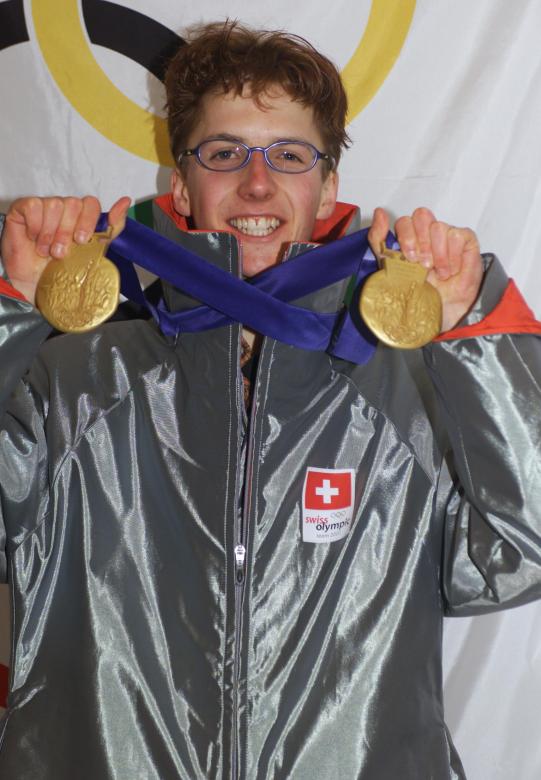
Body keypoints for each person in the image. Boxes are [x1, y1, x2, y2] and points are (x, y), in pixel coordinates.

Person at [0, 21, 540, 780]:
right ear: (180, 183)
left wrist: (474, 328)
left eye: (289, 156)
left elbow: (522, 552)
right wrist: (12, 307)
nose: (257, 184)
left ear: (327, 187)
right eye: (224, 154)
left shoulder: (410, 387)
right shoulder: (78, 383)